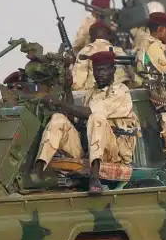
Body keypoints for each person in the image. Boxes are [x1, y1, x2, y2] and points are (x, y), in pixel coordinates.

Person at [33, 50, 140, 192]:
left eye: (104, 69)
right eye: (97, 69)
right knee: (58, 119)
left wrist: (57, 103)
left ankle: (94, 177)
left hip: (114, 152)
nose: (100, 73)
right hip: (88, 149)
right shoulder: (91, 92)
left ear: (113, 70)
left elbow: (89, 112)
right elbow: (75, 120)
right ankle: (38, 170)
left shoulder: (121, 91)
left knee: (96, 118)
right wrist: (67, 88)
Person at [72, 20, 131, 91]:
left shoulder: (86, 52)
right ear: (108, 36)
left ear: (90, 37)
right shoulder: (119, 51)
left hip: (97, 93)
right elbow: (132, 77)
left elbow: (77, 84)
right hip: (122, 92)